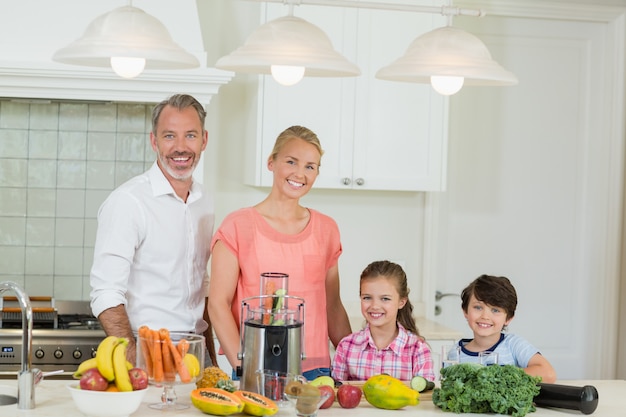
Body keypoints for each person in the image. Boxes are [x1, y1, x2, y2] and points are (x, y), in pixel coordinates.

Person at [208, 125, 352, 380]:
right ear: (271, 162)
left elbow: (333, 306)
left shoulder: (327, 229)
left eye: (310, 166)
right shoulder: (238, 226)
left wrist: (352, 365)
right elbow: (217, 304)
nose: (300, 173)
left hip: (316, 370)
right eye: (291, 161)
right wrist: (243, 366)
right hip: (257, 368)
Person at [90, 94, 216, 366]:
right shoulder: (128, 202)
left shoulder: (204, 201)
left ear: (204, 140)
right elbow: (106, 293)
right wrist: (136, 361)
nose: (180, 147)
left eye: (190, 135)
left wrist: (212, 361)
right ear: (154, 141)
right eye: (169, 136)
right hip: (146, 348)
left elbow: (201, 289)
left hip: (196, 350)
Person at [331, 260, 435, 381]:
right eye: (367, 298)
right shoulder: (346, 346)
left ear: (401, 302)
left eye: (385, 298)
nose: (375, 306)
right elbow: (337, 393)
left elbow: (425, 396)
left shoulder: (418, 350)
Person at [454, 274, 556, 383]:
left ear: (508, 318)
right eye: (478, 307)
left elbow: (548, 374)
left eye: (495, 310)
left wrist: (498, 377)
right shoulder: (455, 353)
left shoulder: (513, 344)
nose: (485, 316)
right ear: (465, 311)